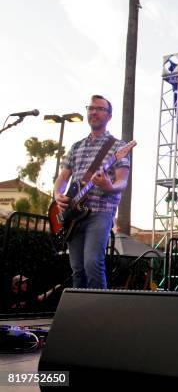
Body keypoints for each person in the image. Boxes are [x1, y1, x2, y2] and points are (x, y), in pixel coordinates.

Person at [53, 95, 130, 289]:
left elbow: (122, 181)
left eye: (99, 108)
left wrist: (109, 186)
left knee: (92, 263)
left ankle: (100, 314)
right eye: (91, 108)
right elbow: (62, 178)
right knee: (77, 268)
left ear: (109, 116)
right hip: (72, 216)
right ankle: (80, 313)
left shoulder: (118, 147)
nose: (93, 112)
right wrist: (57, 196)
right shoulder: (77, 146)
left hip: (100, 212)